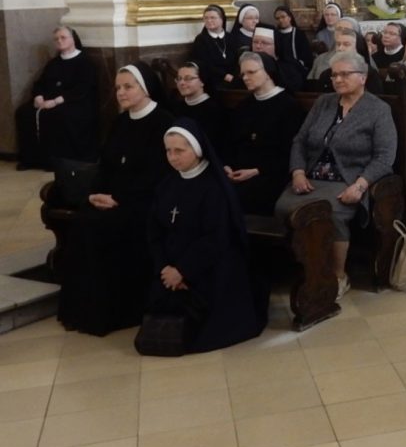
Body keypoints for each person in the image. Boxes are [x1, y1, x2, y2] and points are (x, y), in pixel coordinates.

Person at [57, 63, 173, 336]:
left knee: (103, 228)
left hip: (146, 201)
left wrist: (119, 198)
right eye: (118, 87)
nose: (120, 92)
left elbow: (159, 174)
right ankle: (81, 311)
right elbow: (106, 166)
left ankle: (112, 313)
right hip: (111, 199)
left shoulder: (164, 123)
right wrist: (95, 194)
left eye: (128, 86)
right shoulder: (120, 122)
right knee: (82, 223)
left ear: (145, 88)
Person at [276, 51, 396, 298]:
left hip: (348, 180)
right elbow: (300, 140)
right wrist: (297, 172)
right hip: (312, 178)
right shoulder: (324, 102)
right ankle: (309, 269)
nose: (338, 80)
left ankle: (338, 275)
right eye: (334, 75)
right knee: (284, 208)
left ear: (362, 77)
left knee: (330, 213)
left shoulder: (378, 109)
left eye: (344, 74)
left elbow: (384, 157)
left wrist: (360, 185)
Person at [144, 119, 267, 354]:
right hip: (171, 266)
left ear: (197, 150)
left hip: (209, 265)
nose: (172, 157)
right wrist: (165, 267)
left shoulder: (214, 188)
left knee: (199, 325)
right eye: (168, 151)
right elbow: (155, 231)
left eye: (179, 150)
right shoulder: (166, 184)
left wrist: (182, 270)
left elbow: (216, 238)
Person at [224, 52, 305, 215]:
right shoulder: (243, 106)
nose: (245, 78)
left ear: (268, 72)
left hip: (271, 174)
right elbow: (230, 142)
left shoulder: (289, 107)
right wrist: (227, 166)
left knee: (238, 197)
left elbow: (290, 152)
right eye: (243, 74)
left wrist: (256, 170)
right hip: (238, 172)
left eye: (251, 72)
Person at [16, 26, 99, 170]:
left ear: (73, 39)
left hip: (75, 102)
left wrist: (56, 101)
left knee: (58, 115)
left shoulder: (85, 62)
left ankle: (58, 161)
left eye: (63, 37)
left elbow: (82, 89)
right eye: (56, 39)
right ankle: (31, 159)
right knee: (23, 113)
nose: (59, 41)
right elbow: (40, 83)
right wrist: (38, 97)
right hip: (48, 102)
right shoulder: (53, 63)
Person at [170, 61, 229, 158]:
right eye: (179, 79)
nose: (182, 83)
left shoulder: (215, 110)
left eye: (188, 78)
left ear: (202, 81)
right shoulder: (176, 107)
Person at [251, 25, 307, 93]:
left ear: (276, 46)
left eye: (265, 43)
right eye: (255, 42)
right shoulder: (244, 65)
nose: (258, 46)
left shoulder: (290, 69)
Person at [190, 4, 236, 88]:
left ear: (221, 19)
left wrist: (234, 74)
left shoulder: (230, 37)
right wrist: (224, 75)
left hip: (233, 77)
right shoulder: (201, 39)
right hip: (212, 80)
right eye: (206, 18)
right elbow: (204, 64)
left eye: (212, 18)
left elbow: (236, 59)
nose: (209, 20)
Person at [274, 5, 313, 73]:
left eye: (283, 17)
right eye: (277, 18)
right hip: (280, 70)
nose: (280, 20)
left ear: (290, 17)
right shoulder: (275, 34)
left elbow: (306, 56)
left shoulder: (299, 34)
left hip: (297, 69)